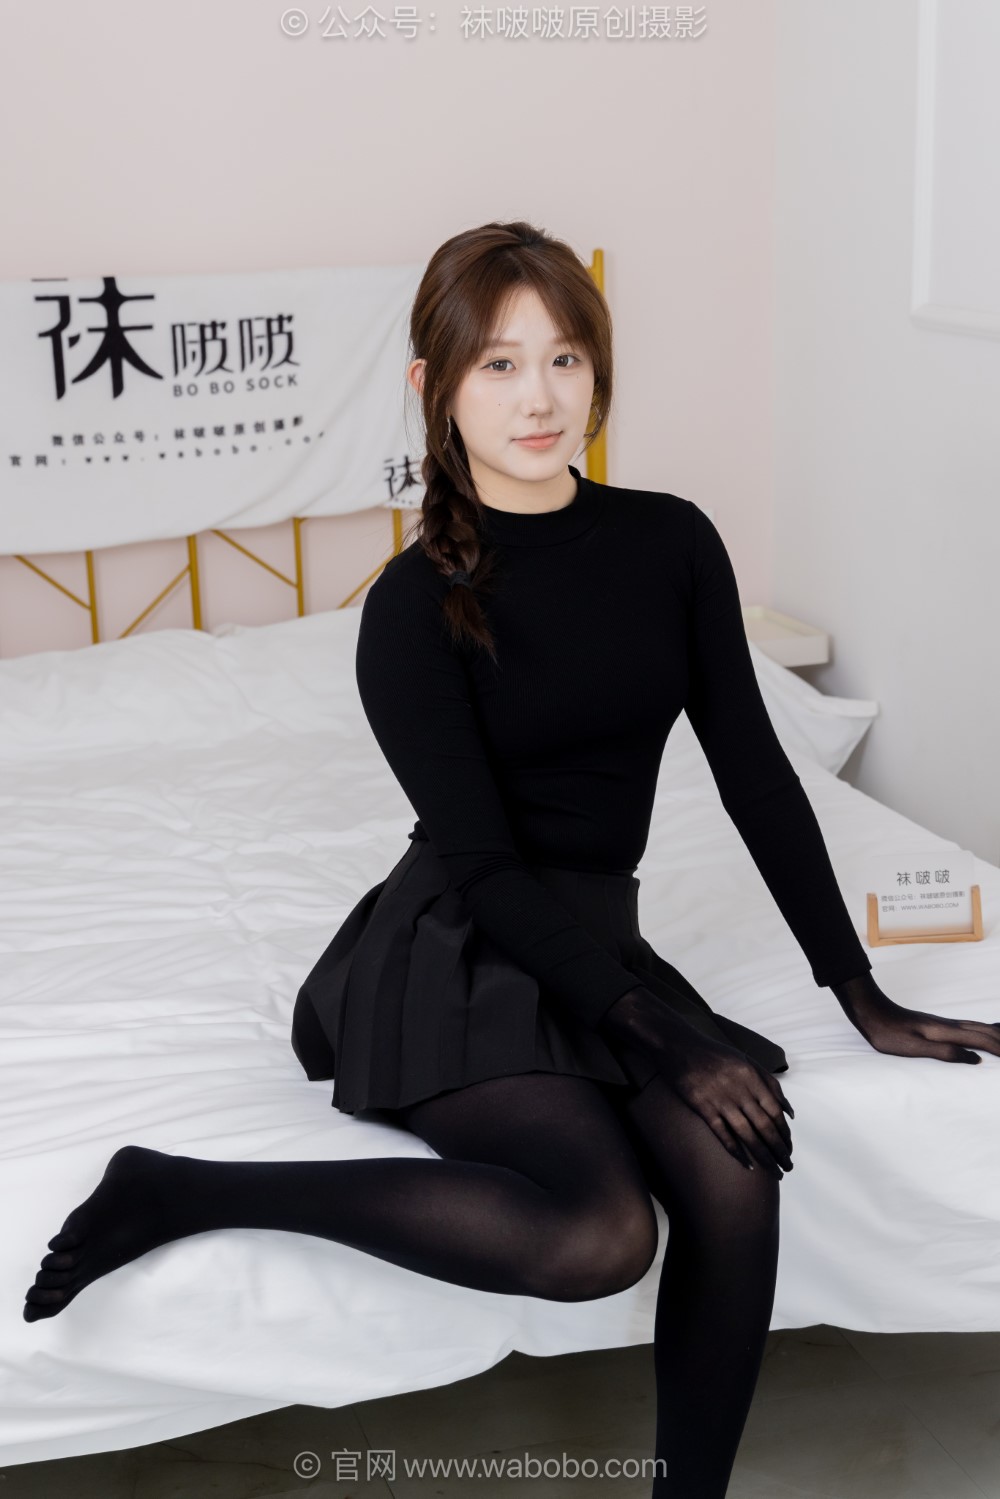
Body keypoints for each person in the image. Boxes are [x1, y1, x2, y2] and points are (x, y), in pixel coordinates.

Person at [24, 221, 1000, 1498]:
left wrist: (857, 992)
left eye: (563, 358)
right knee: (598, 1234)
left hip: (594, 937)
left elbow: (758, 774)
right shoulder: (408, 607)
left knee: (736, 1164)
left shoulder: (671, 541)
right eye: (497, 364)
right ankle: (181, 1188)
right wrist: (666, 1035)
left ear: (598, 371)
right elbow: (484, 869)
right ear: (433, 386)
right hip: (457, 944)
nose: (538, 398)